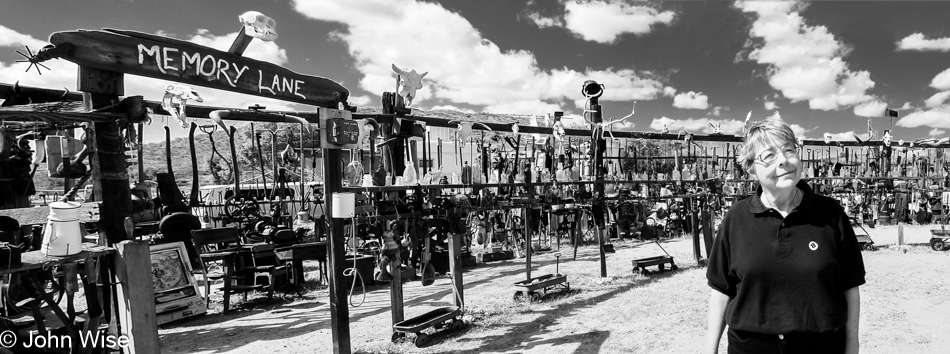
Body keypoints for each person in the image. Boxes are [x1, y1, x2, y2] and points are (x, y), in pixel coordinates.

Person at [705, 116, 866, 354]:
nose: (783, 161)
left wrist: (852, 348)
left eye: (789, 150)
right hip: (751, 348)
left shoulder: (831, 214)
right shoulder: (737, 218)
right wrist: (710, 350)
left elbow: (850, 287)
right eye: (769, 155)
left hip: (821, 347)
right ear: (751, 167)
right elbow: (721, 290)